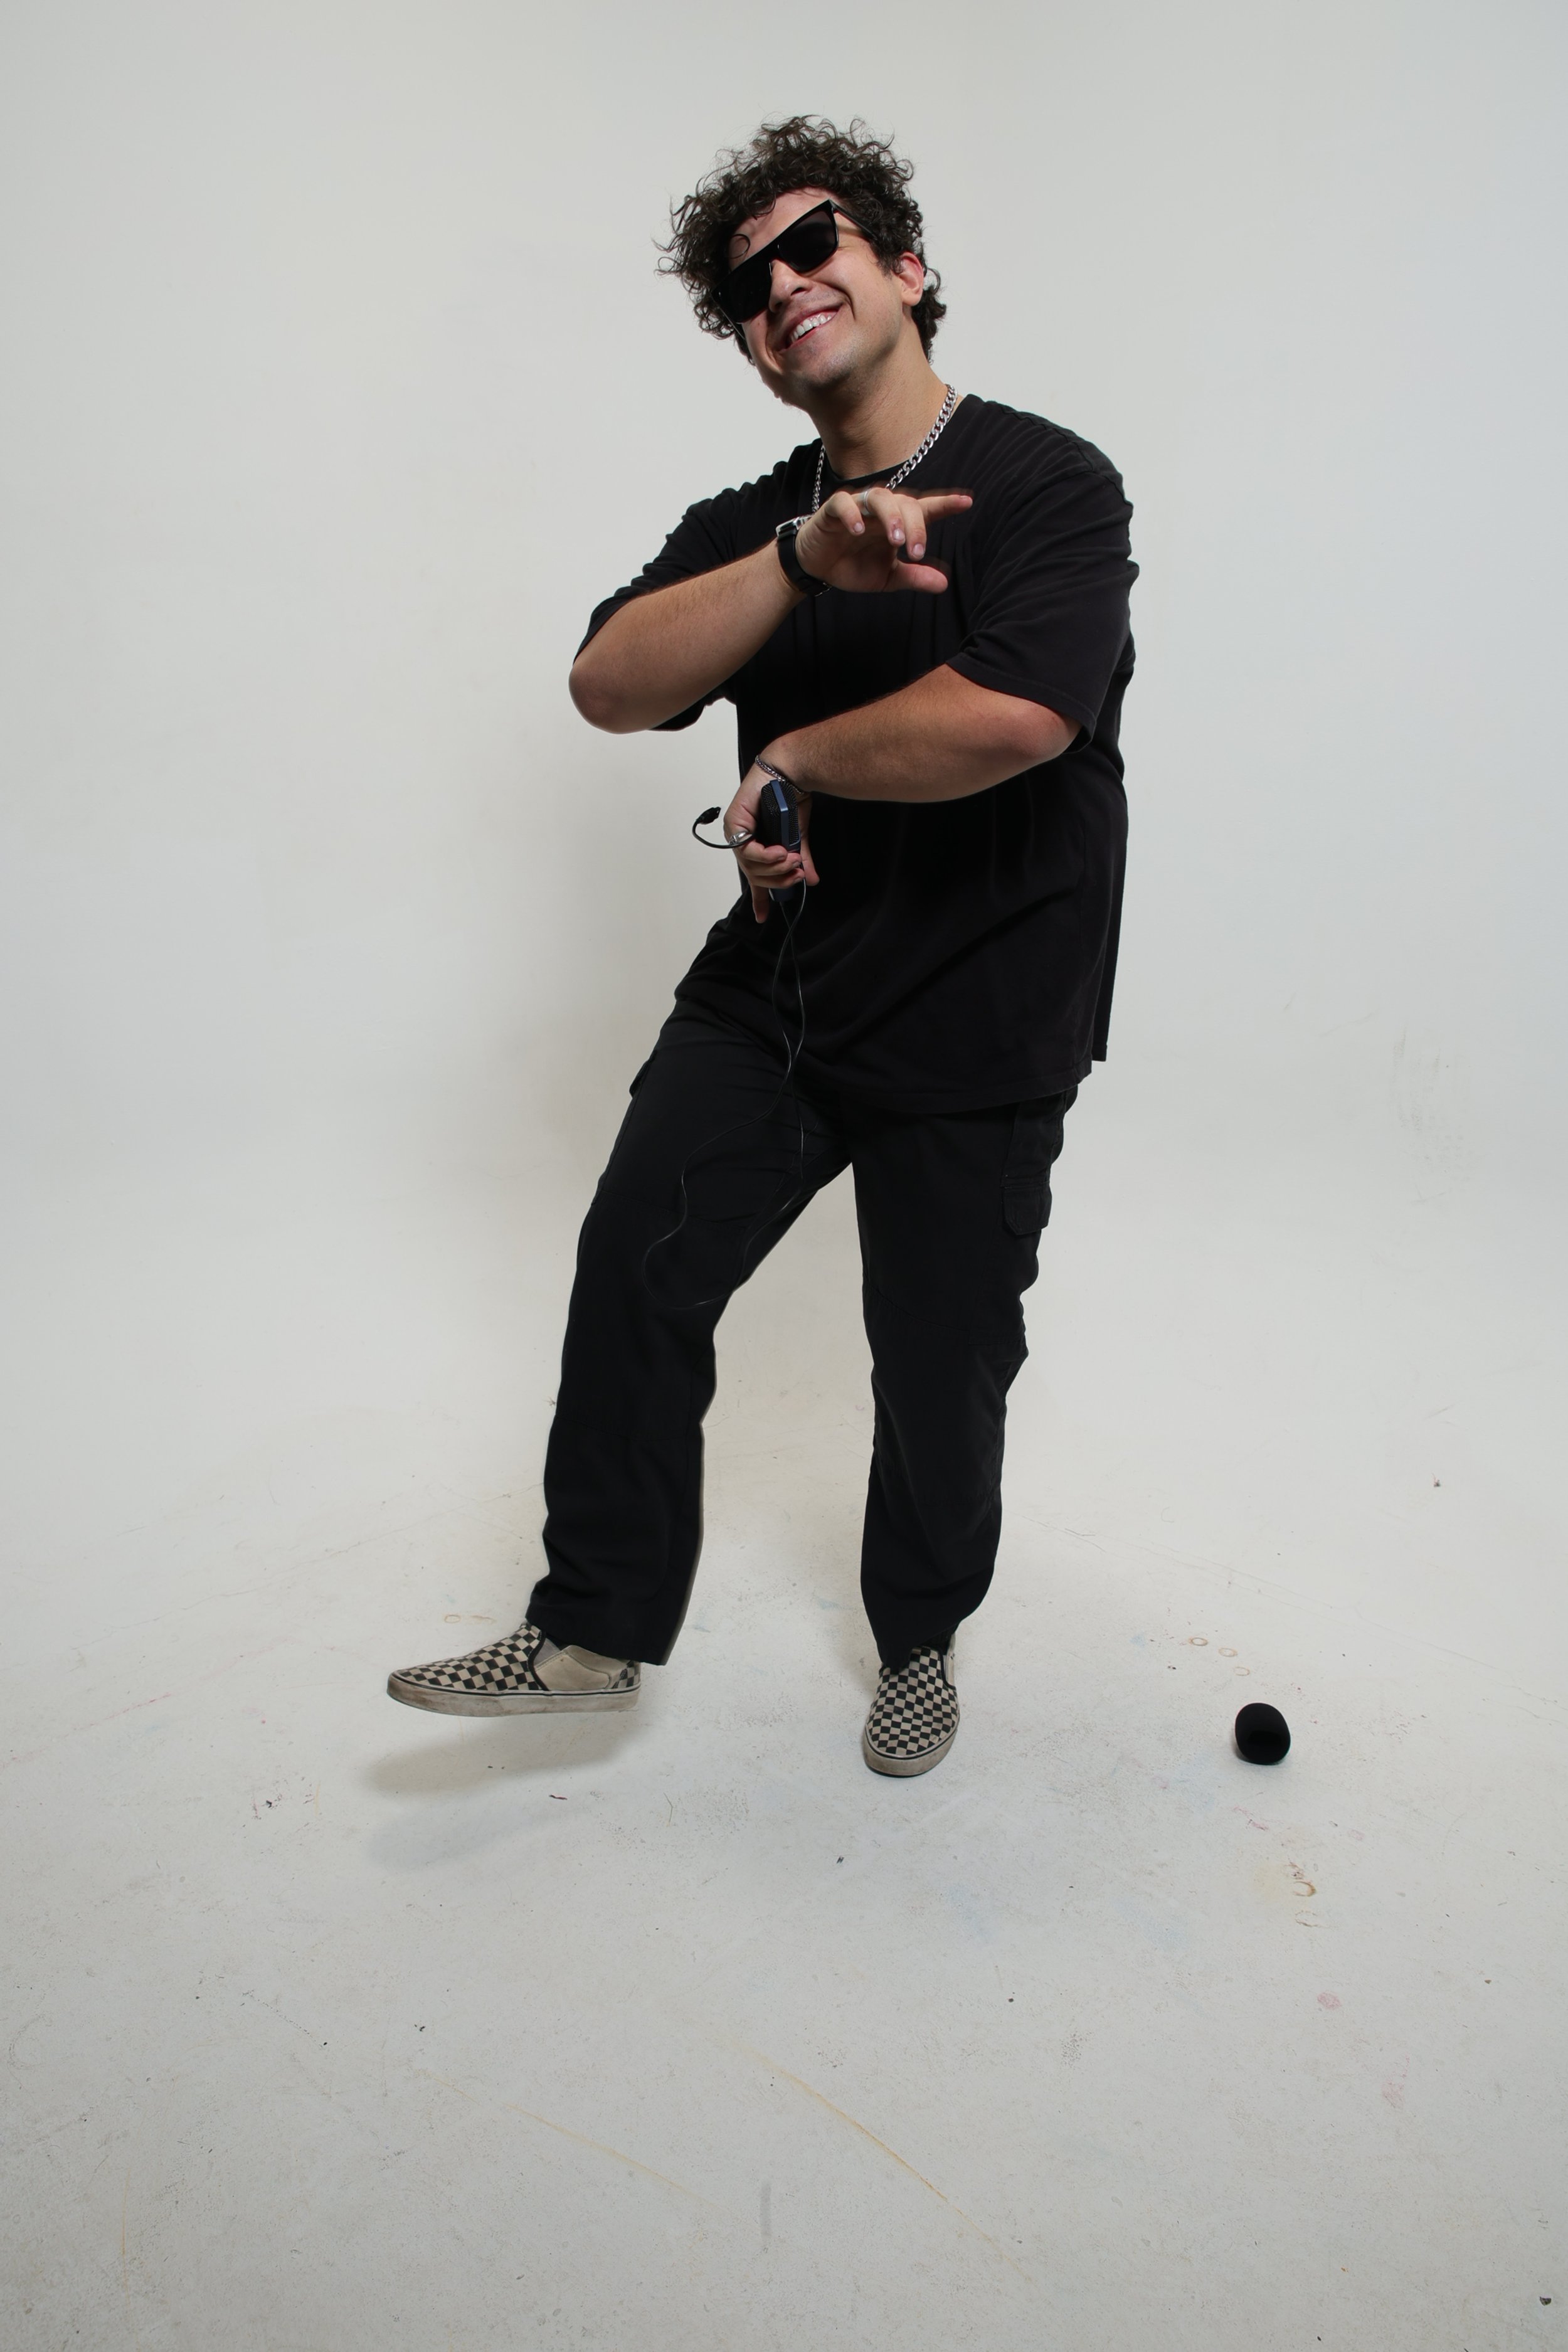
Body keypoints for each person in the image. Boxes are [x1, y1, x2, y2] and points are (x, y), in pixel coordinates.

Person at [388, 116, 1136, 1776]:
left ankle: (921, 1641)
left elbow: (1018, 712)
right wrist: (798, 560)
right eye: (745, 287)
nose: (782, 287)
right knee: (635, 1263)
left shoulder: (1044, 481)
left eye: (814, 248)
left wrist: (794, 754)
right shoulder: (751, 521)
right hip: (781, 999)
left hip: (987, 1005)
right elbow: (609, 684)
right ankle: (591, 1630)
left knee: (939, 1368)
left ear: (905, 269)